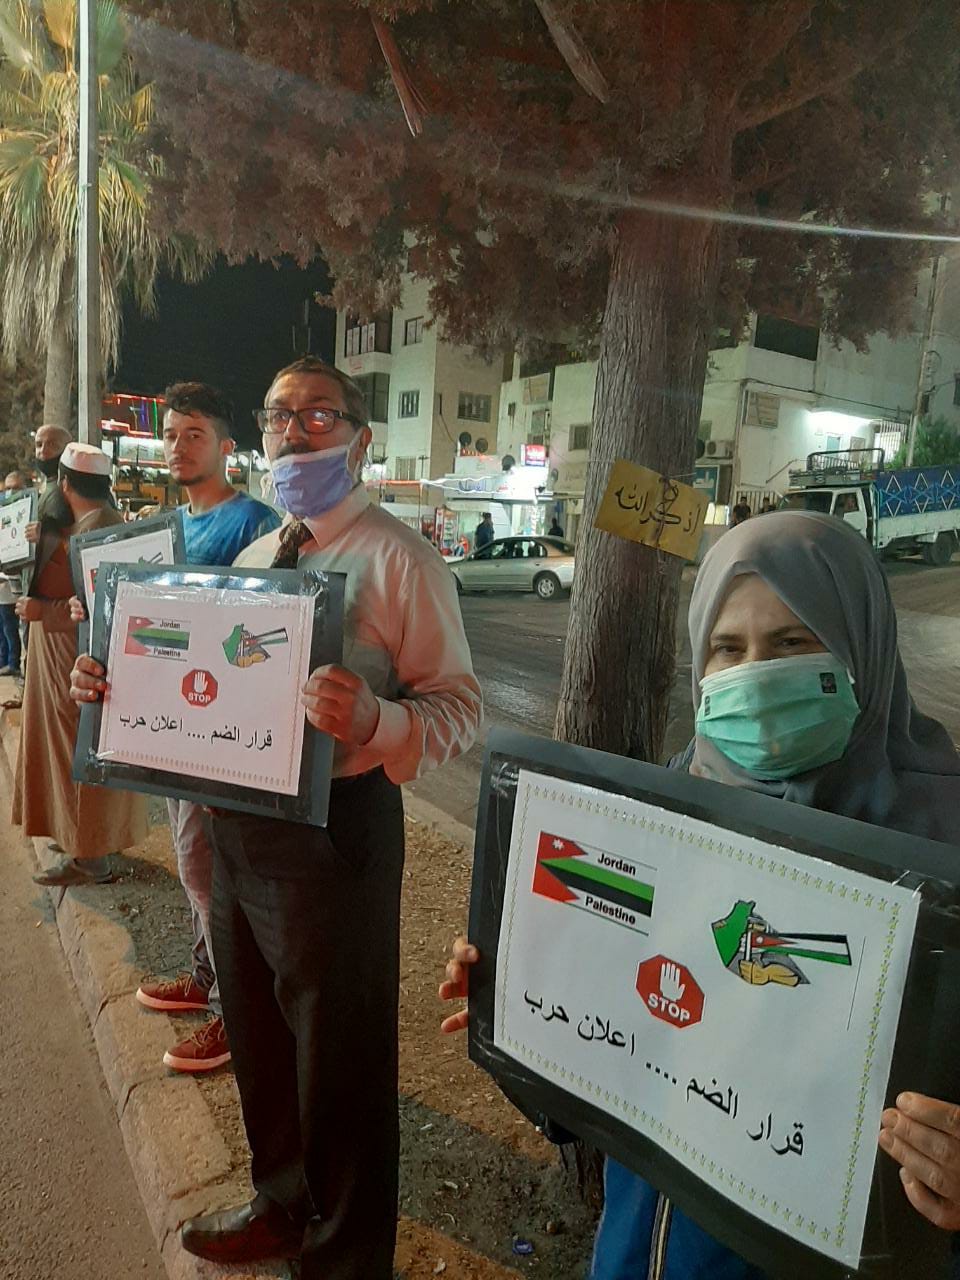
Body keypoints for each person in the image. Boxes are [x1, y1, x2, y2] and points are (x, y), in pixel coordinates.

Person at [440, 510, 960, 1278]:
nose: (756, 674)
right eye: (728, 648)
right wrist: (521, 1007)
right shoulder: (667, 814)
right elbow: (627, 1048)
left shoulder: (943, 862)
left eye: (793, 642)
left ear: (862, 648)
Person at [70, 356, 482, 1279]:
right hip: (239, 828)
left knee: (340, 1059)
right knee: (258, 1034)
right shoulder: (260, 560)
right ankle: (280, 1203)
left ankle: (345, 1258)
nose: (294, 433)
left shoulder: (401, 561)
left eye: (318, 415)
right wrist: (111, 685)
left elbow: (461, 709)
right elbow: (202, 679)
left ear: (360, 440)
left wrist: (377, 721)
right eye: (278, 416)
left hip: (336, 837)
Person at [132, 382, 281, 1074]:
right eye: (170, 435)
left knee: (204, 867)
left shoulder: (255, 524)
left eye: (193, 434)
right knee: (192, 861)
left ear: (226, 446)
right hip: (168, 725)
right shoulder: (163, 530)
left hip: (219, 733)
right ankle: (204, 977)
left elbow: (267, 637)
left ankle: (233, 1014)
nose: (177, 446)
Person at [14, 443, 148, 887]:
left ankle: (90, 856)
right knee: (65, 752)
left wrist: (43, 612)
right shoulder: (91, 524)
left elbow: (94, 610)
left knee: (77, 753)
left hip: (76, 664)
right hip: (62, 662)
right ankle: (80, 837)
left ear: (65, 482)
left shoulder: (102, 531)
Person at [0, 470, 27, 680]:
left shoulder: (28, 515)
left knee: (13, 627)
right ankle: (4, 661)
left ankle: (13, 663)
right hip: (2, 582)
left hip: (18, 584)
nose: (10, 492)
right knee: (3, 626)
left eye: (15, 488)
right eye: (7, 488)